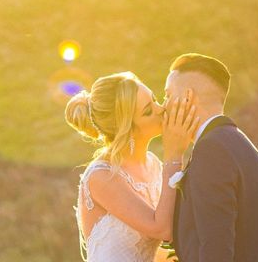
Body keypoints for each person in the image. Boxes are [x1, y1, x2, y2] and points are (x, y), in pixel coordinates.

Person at [65, 71, 199, 262]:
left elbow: (145, 250)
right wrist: (174, 154)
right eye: (148, 111)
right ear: (126, 129)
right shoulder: (102, 177)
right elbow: (162, 229)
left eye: (154, 99)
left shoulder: (152, 164)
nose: (160, 109)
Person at [164, 53, 258, 262]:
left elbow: (216, 249)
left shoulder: (212, 151)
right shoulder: (250, 152)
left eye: (168, 95)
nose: (164, 106)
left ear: (187, 98)